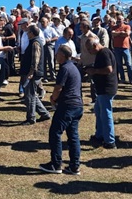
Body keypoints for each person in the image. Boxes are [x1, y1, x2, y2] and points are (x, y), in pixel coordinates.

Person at [40, 45, 84, 175]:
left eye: (57, 53)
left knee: (55, 133)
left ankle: (56, 164)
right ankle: (74, 166)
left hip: (67, 106)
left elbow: (58, 87)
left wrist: (53, 99)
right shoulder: (74, 67)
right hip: (77, 106)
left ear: (63, 56)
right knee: (73, 136)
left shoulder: (65, 68)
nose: (55, 55)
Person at [86, 35, 117, 149]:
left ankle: (110, 141)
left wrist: (94, 71)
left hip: (106, 88)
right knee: (98, 111)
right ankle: (99, 135)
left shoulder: (104, 53)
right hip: (102, 88)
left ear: (95, 45)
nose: (89, 52)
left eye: (89, 49)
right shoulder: (101, 53)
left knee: (106, 114)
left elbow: (108, 69)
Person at [21, 25, 51, 125]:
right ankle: (44, 113)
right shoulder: (34, 42)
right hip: (32, 72)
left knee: (30, 96)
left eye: (28, 32)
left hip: (33, 73)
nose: (27, 33)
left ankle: (31, 118)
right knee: (33, 95)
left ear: (32, 33)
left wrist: (31, 72)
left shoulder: (35, 43)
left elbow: (35, 59)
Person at [110, 13, 132, 84]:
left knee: (129, 64)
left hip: (125, 47)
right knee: (119, 64)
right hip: (117, 48)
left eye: (120, 20)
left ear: (123, 20)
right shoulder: (114, 27)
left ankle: (131, 79)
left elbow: (127, 34)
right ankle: (122, 78)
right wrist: (121, 33)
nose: (119, 21)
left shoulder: (127, 26)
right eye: (118, 20)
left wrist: (118, 33)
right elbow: (113, 34)